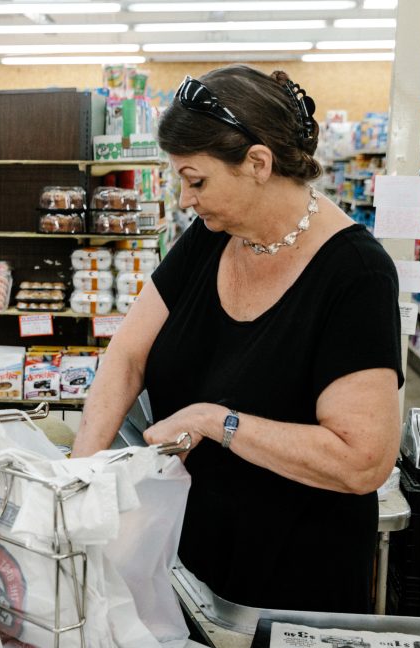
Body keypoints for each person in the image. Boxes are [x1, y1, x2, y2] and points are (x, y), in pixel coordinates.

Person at [72, 65, 402, 615]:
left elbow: (362, 460)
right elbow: (128, 354)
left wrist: (213, 421)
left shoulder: (356, 275)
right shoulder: (208, 238)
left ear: (257, 163)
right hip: (185, 558)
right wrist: (76, 474)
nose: (183, 199)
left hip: (292, 582)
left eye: (195, 180)